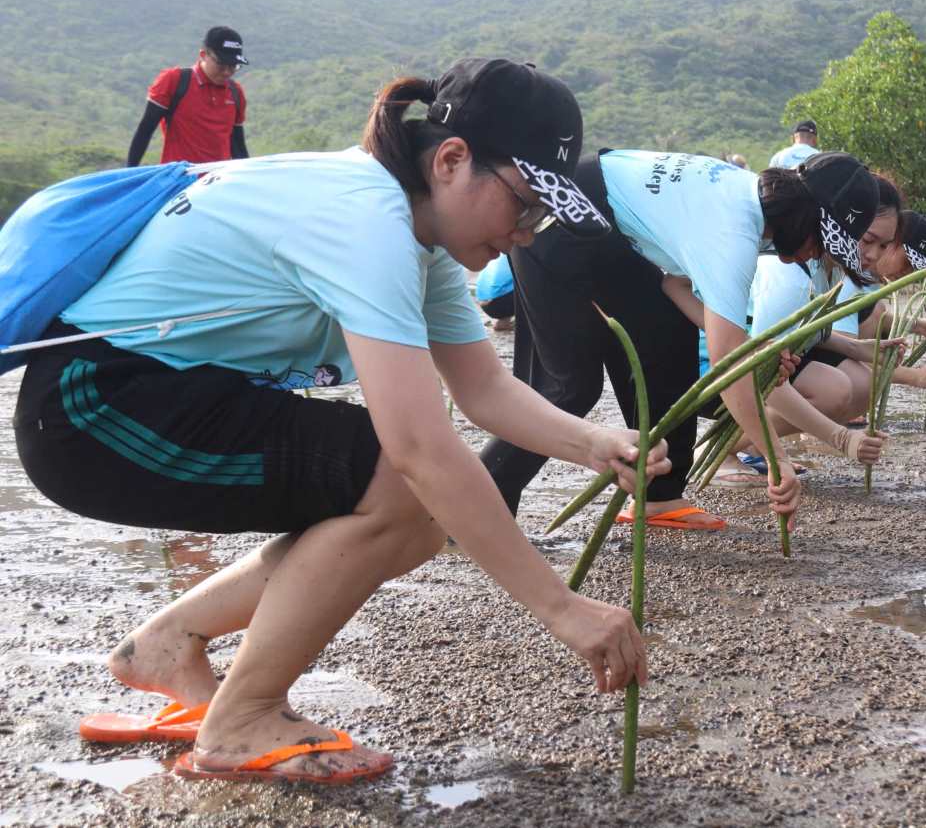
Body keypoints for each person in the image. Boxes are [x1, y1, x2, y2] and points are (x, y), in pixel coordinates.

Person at [17, 59, 663, 784]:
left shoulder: (418, 239)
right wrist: (561, 607)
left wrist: (595, 442)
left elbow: (482, 387)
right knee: (404, 485)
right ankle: (241, 719)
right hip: (92, 406)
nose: (524, 235)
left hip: (164, 392)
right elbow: (418, 447)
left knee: (418, 513)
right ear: (451, 161)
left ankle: (169, 642)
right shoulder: (363, 218)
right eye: (526, 205)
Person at [481, 149, 881, 531]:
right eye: (820, 241)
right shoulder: (734, 230)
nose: (815, 255)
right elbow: (728, 367)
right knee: (568, 387)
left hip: (617, 239)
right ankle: (478, 503)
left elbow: (674, 285)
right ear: (805, 217)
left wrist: (752, 349)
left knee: (668, 340)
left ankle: (660, 497)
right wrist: (777, 459)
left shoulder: (757, 204)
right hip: (564, 219)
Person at [665, 207, 926, 486]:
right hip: (711, 369)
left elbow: (811, 333)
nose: (874, 254)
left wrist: (862, 348)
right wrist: (842, 438)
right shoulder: (791, 277)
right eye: (868, 241)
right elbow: (759, 367)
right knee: (835, 389)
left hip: (754, 361)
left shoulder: (833, 271)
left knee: (851, 383)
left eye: (883, 244)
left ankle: (751, 445)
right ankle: (719, 453)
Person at [127, 27, 251, 167]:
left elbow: (238, 146)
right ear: (203, 54)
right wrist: (129, 173)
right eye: (221, 65)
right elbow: (145, 131)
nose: (227, 72)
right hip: (180, 180)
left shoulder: (236, 92)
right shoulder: (174, 81)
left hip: (217, 182)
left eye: (233, 66)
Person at [475, 252, 515, 331]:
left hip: (484, 304)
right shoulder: (521, 252)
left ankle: (504, 322)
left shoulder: (498, 252)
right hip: (503, 302)